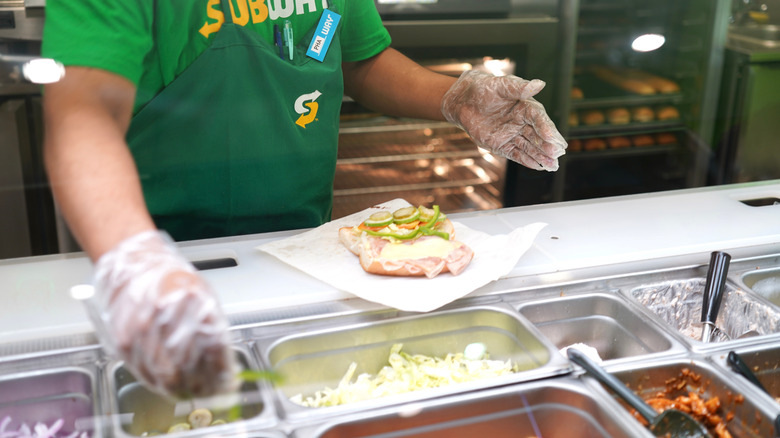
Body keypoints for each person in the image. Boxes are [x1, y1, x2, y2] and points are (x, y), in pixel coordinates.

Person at [41, 0, 567, 399]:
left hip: (302, 249)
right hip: (160, 260)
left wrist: (454, 96)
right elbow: (82, 113)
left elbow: (359, 58)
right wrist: (133, 261)